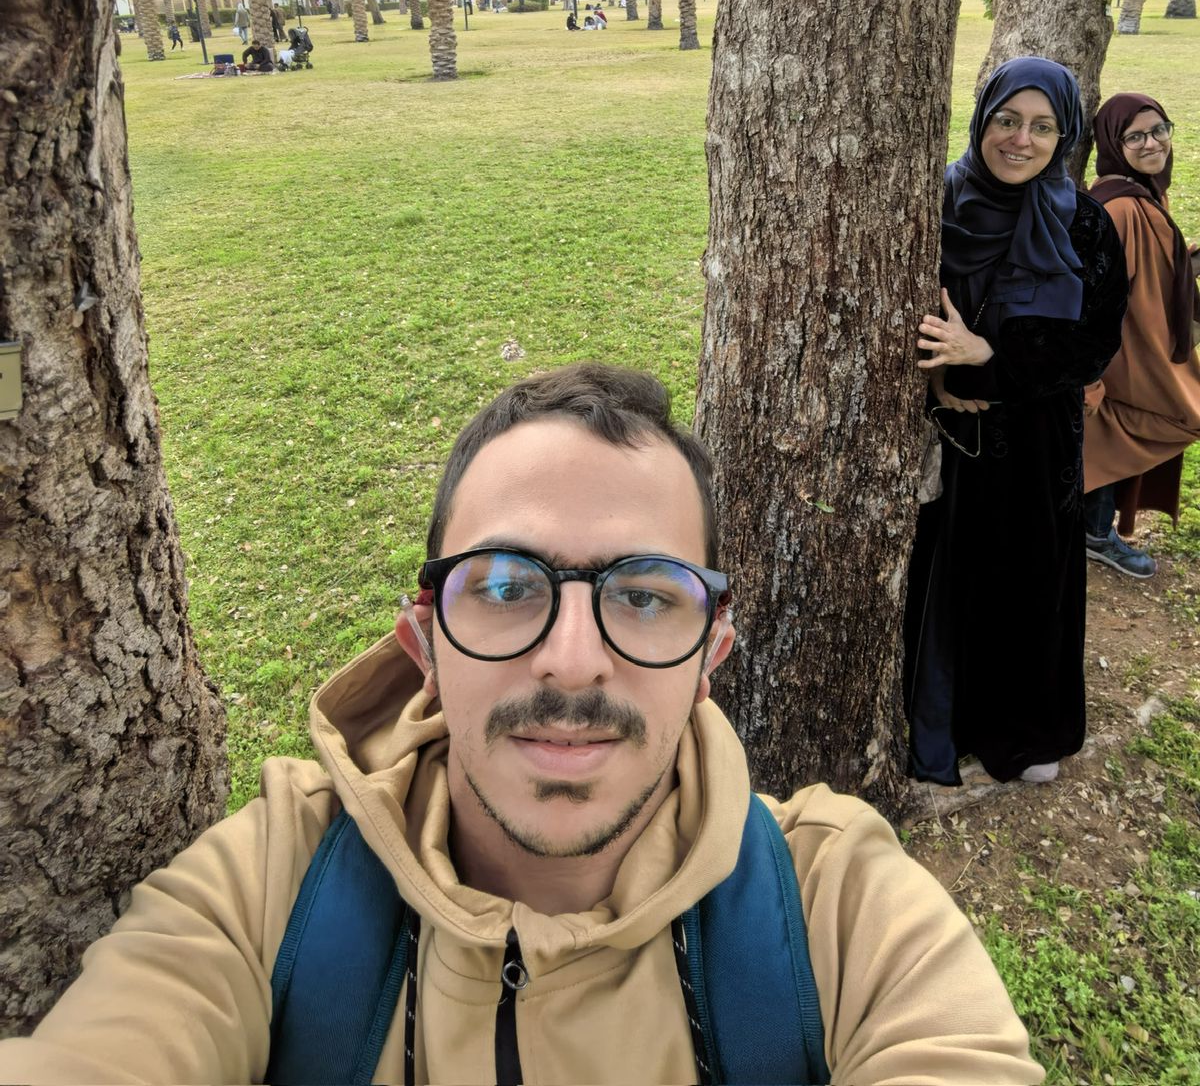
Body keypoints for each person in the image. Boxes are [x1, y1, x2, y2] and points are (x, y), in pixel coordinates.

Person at [0, 365, 1042, 1085]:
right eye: (505, 585)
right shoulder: (268, 887)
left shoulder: (838, 909)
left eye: (645, 593)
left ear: (710, 656)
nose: (573, 660)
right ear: (423, 640)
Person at [904, 58, 1127, 788]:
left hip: (1035, 445)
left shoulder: (1084, 224)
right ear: (982, 119)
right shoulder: (937, 201)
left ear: (1064, 137)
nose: (1020, 140)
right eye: (1006, 119)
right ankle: (939, 725)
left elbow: (1094, 344)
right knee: (944, 583)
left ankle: (1022, 734)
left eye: (1042, 127)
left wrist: (989, 360)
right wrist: (938, 375)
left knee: (1025, 585)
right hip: (945, 435)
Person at [1083, 93, 1200, 578]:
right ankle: (1093, 533)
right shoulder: (1121, 209)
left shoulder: (1143, 193)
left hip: (1141, 344)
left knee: (1113, 435)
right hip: (1124, 354)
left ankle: (1094, 530)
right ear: (1113, 142)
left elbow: (1153, 268)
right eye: (1135, 136)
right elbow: (1094, 296)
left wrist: (1187, 260)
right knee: (1155, 421)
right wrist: (1091, 378)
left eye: (1159, 130)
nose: (1152, 143)